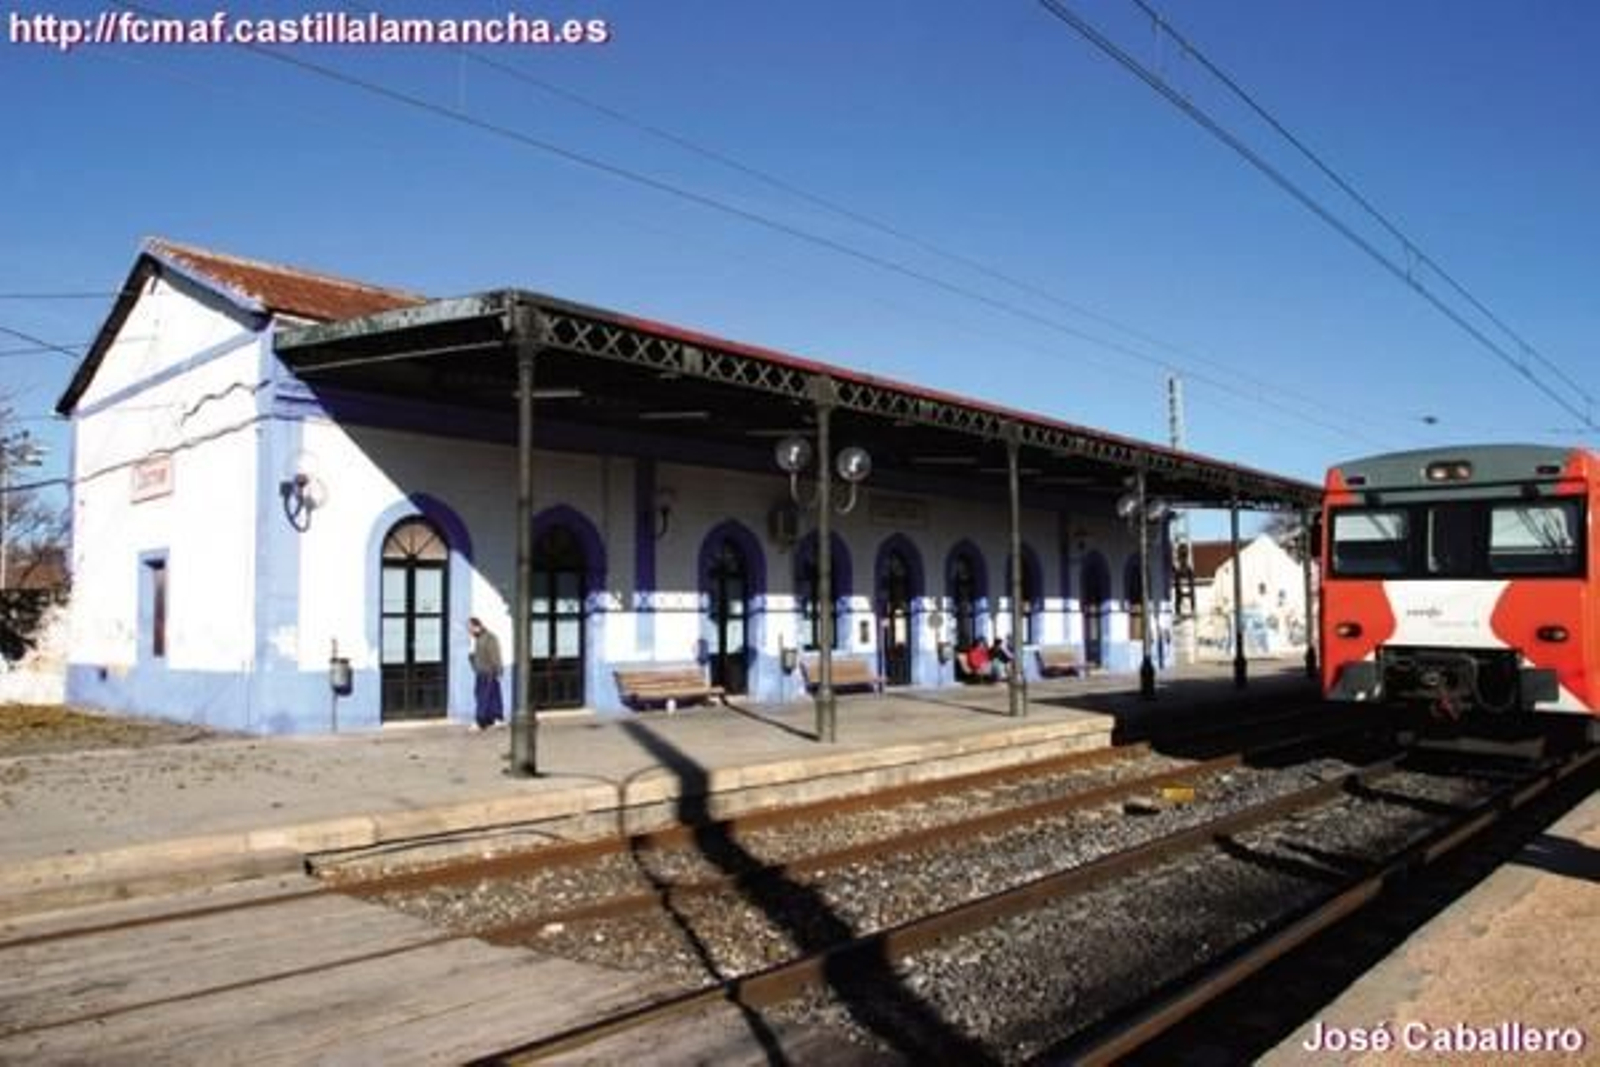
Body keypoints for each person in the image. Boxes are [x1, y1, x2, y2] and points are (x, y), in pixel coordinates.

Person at [467, 617, 505, 730]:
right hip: (481, 672)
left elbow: (495, 655)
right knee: (492, 696)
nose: (469, 630)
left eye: (470, 627)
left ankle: (480, 722)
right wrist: (472, 659)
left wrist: (498, 670)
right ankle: (496, 719)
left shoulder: (489, 638)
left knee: (483, 697)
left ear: (476, 626)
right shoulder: (477, 638)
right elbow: (477, 657)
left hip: (488, 672)